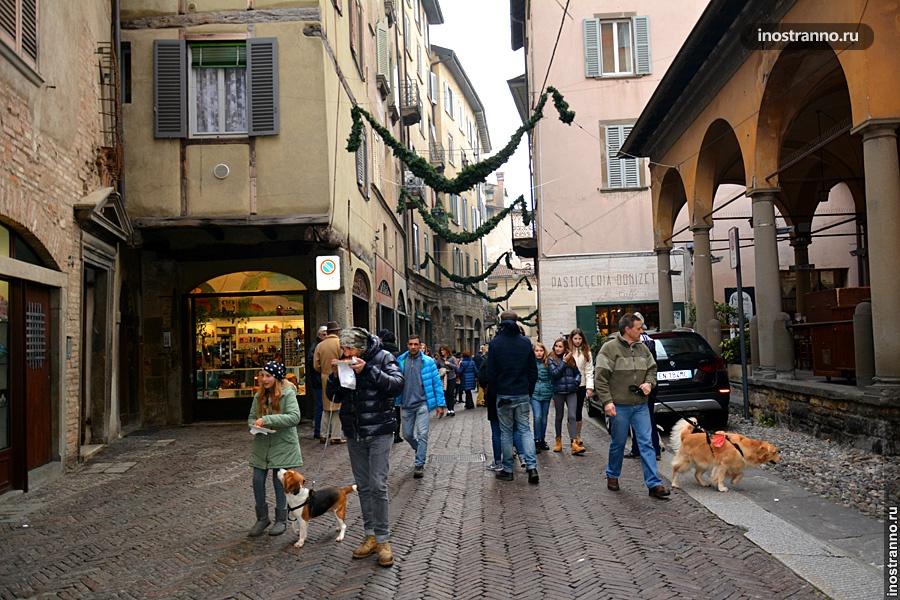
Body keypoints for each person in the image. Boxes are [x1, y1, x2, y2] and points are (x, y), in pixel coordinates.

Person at [326, 327, 404, 567]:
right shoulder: (344, 362)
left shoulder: (383, 358)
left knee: (378, 485)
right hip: (354, 432)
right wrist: (333, 377)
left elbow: (397, 385)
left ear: (361, 347)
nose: (346, 353)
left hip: (379, 431)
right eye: (344, 349)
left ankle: (383, 540)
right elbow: (335, 397)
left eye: (349, 348)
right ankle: (369, 535)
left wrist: (368, 370)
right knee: (364, 486)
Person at [593, 313, 670, 500]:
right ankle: (612, 474)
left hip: (640, 405)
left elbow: (652, 369)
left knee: (647, 443)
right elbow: (600, 378)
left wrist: (649, 384)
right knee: (618, 443)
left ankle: (654, 484)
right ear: (627, 329)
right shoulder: (609, 349)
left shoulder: (643, 348)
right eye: (638, 328)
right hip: (619, 406)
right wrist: (607, 402)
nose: (642, 330)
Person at [247, 360, 303, 537]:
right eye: (262, 375)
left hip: (283, 444)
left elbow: (294, 417)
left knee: (279, 482)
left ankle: (281, 519)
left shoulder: (288, 394)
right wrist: (254, 425)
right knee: (257, 479)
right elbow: (251, 417)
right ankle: (262, 518)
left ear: (276, 377)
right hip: (262, 444)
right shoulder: (259, 396)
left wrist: (268, 420)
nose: (264, 379)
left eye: (268, 376)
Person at [486, 310, 539, 484]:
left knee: (506, 433)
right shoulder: (525, 343)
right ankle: (532, 467)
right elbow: (533, 371)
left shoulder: (495, 344)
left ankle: (508, 469)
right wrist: (528, 390)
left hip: (503, 394)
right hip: (522, 392)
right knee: (525, 430)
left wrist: (493, 393)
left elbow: (491, 373)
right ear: (517, 322)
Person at [395, 335, 446, 478]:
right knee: (407, 435)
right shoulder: (400, 361)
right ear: (407, 345)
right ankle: (419, 450)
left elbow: (436, 383)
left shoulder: (428, 362)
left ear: (419, 345)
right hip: (405, 404)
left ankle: (419, 464)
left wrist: (440, 404)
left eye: (415, 344)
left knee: (422, 434)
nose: (413, 347)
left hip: (422, 403)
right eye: (410, 344)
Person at [626, 312, 662, 459]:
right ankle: (639, 449)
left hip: (644, 386)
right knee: (640, 418)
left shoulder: (644, 341)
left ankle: (653, 449)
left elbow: (648, 365)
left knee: (646, 418)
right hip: (643, 385)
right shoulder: (648, 340)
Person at [548, 337, 583, 455]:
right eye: (556, 346)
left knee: (572, 416)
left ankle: (574, 443)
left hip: (571, 391)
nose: (558, 349)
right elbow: (554, 374)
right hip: (558, 392)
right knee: (559, 416)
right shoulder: (551, 359)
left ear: (565, 348)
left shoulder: (570, 358)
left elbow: (577, 373)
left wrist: (576, 382)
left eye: (560, 346)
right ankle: (558, 441)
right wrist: (563, 362)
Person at [313, 321, 344, 444]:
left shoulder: (320, 345)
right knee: (337, 407)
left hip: (325, 377)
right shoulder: (339, 343)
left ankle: (323, 434)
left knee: (326, 408)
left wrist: (324, 371)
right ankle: (336, 436)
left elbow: (316, 365)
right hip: (338, 377)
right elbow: (344, 359)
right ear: (336, 332)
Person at [569, 328, 594, 452]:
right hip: (569, 385)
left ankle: (577, 435)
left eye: (579, 339)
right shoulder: (567, 351)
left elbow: (589, 370)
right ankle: (572, 438)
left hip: (581, 385)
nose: (577, 341)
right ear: (571, 339)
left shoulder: (586, 352)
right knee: (571, 413)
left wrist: (590, 387)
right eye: (575, 339)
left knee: (578, 412)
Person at [377, 329, 404, 444]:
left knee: (384, 409)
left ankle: (386, 432)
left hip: (382, 384)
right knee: (396, 410)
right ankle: (396, 434)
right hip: (395, 384)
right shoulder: (399, 354)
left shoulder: (380, 353)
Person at [531, 342, 553, 453]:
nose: (539, 353)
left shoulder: (548, 362)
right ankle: (537, 440)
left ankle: (542, 439)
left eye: (541, 350)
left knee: (544, 418)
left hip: (546, 392)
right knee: (537, 416)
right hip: (535, 393)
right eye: (536, 351)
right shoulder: (530, 363)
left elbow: (553, 376)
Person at [307, 325, 327, 439]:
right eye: (324, 334)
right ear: (319, 335)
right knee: (320, 406)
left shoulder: (318, 346)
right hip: (318, 381)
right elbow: (312, 363)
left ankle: (321, 430)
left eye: (327, 334)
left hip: (319, 380)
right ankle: (318, 430)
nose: (326, 336)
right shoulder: (316, 346)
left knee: (323, 406)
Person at [436, 345, 458, 417]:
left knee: (451, 393)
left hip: (451, 377)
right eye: (441, 350)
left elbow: (456, 367)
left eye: (443, 350)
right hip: (443, 378)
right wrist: (440, 370)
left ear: (447, 351)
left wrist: (449, 364)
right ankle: (448, 409)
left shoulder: (452, 358)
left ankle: (452, 409)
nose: (442, 352)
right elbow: (436, 367)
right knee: (446, 394)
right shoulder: (440, 359)